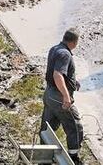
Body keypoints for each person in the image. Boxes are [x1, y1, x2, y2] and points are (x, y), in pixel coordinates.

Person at [40, 29, 83, 164]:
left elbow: (56, 71)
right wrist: (66, 96)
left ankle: (43, 158)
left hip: (49, 94)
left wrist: (72, 81)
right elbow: (57, 75)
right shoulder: (65, 54)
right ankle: (74, 158)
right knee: (75, 125)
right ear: (75, 42)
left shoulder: (55, 49)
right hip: (58, 96)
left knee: (48, 127)